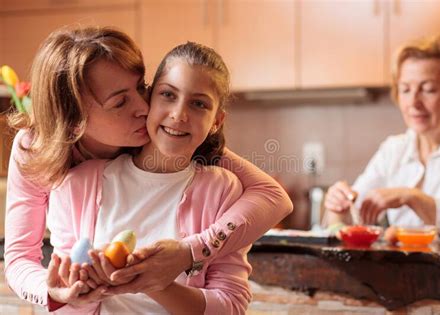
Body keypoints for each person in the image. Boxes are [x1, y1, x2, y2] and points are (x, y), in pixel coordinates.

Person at [4, 26, 293, 311]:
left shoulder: (176, 142)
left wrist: (188, 253)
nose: (144, 106)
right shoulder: (42, 156)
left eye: (141, 87)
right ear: (75, 120)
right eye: (120, 101)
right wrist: (56, 292)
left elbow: (273, 197)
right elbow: (19, 258)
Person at [48, 41, 252, 314]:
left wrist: (153, 283)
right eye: (168, 95)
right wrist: (80, 292)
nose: (179, 114)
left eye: (199, 104)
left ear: (216, 121)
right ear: (149, 98)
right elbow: (64, 299)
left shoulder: (222, 191)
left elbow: (231, 306)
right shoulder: (78, 185)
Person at [324, 34, 440, 241]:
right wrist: (339, 205)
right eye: (405, 89)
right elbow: (354, 216)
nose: (414, 102)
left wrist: (412, 197)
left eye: (428, 89)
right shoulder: (394, 150)